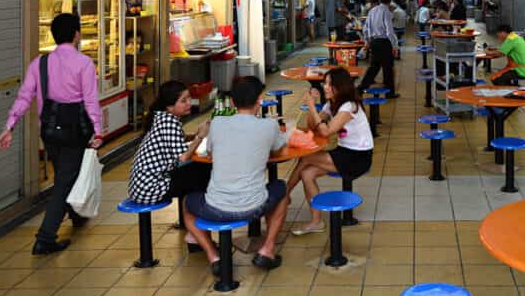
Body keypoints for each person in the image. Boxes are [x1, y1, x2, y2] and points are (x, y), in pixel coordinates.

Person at [0, 13, 104, 255]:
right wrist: (98, 130)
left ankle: (76, 215)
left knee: (65, 173)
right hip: (75, 130)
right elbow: (90, 101)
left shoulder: (40, 64)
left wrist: (10, 125)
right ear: (77, 34)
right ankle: (45, 237)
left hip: (49, 130)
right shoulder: (84, 64)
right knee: (65, 180)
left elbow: (25, 96)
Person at [182, 77, 290, 273]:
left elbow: (213, 155)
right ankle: (267, 249)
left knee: (188, 204)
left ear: (232, 103)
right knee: (282, 189)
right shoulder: (269, 126)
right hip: (254, 207)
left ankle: (213, 256)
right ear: (259, 101)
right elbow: (279, 149)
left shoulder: (217, 123)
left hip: (214, 207)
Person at [288, 68, 375, 235]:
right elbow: (312, 127)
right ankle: (316, 221)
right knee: (307, 174)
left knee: (306, 157)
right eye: (325, 83)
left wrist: (313, 108)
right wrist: (311, 106)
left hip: (358, 157)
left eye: (330, 84)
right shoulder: (331, 104)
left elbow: (327, 131)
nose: (325, 87)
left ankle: (285, 194)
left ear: (340, 87)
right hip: (344, 152)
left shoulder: (349, 106)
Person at [128, 80, 211, 207]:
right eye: (183, 101)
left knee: (197, 171)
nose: (189, 103)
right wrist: (200, 136)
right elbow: (183, 157)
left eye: (189, 98)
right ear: (169, 106)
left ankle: (191, 216)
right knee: (203, 174)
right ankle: (200, 215)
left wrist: (196, 135)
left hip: (142, 186)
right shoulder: (168, 122)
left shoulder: (164, 118)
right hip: (150, 188)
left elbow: (177, 141)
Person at [359, 0, 399, 98]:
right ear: (389, 1)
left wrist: (367, 42)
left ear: (380, 0)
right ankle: (390, 93)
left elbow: (366, 28)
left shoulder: (372, 11)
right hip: (384, 42)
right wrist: (395, 45)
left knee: (374, 67)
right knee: (388, 68)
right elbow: (389, 31)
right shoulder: (386, 11)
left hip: (374, 42)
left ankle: (360, 88)